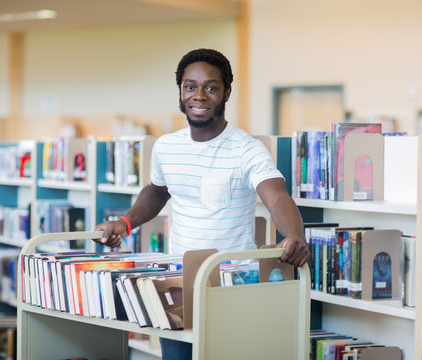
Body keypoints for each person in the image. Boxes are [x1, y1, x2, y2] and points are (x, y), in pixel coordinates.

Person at [95, 48, 309, 359]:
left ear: (226, 93)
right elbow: (156, 192)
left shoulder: (247, 149)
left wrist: (294, 236)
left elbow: (276, 197)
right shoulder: (167, 147)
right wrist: (125, 223)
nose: (199, 95)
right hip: (178, 284)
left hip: (233, 287)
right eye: (190, 86)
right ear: (181, 91)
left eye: (211, 87)